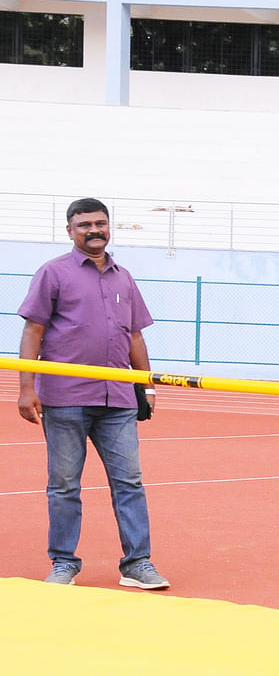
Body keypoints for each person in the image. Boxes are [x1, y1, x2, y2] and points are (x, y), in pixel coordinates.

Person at [16, 197, 169, 590]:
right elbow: (33, 330)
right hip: (65, 397)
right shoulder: (53, 273)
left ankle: (137, 563)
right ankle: (64, 563)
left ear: (109, 227)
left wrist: (144, 385)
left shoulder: (123, 277)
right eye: (84, 225)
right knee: (65, 484)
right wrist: (26, 388)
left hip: (117, 400)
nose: (93, 230)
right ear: (70, 231)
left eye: (100, 223)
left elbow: (135, 335)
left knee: (130, 482)